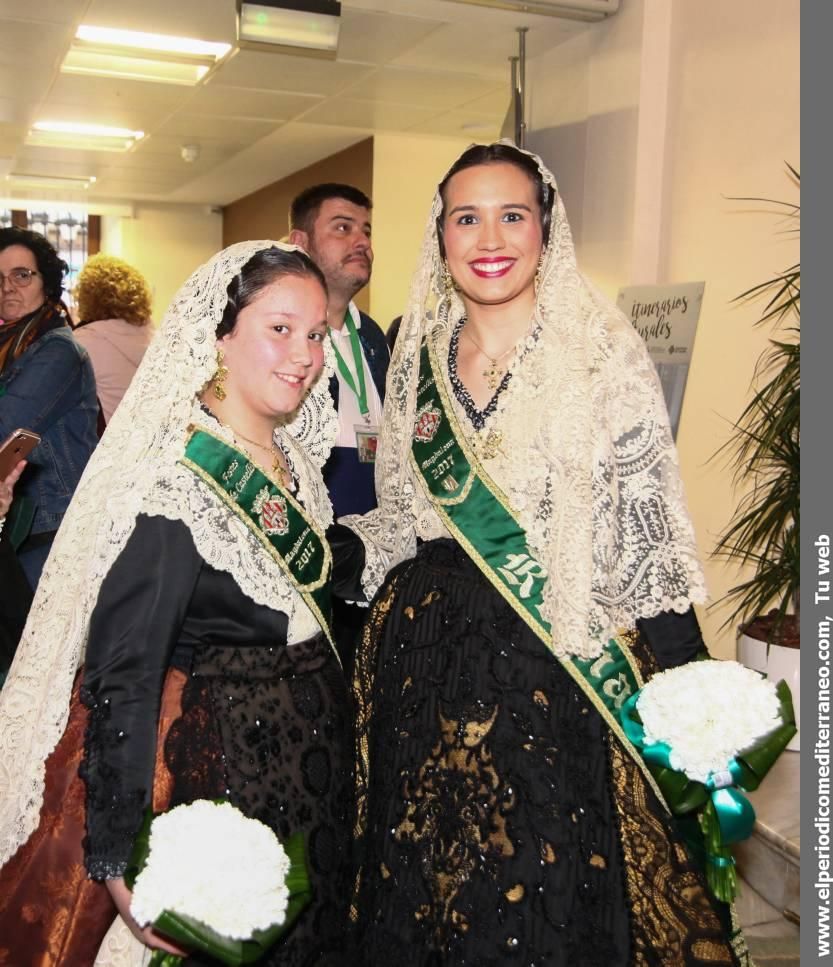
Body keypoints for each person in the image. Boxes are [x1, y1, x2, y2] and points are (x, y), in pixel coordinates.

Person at [342, 143, 754, 965]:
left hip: (552, 669)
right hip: (421, 665)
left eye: (510, 214)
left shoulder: (600, 352)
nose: (488, 236)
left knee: (537, 890)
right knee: (423, 888)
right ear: (441, 233)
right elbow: (399, 516)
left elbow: (646, 537)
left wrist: (690, 691)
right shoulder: (415, 350)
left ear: (544, 227)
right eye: (467, 217)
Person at [0, 242, 353, 966]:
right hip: (233, 792)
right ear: (219, 337)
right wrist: (117, 862)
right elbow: (123, 676)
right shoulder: (177, 486)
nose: (304, 355)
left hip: (312, 789)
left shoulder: (287, 458)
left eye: (316, 333)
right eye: (279, 328)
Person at [289, 184, 389, 673]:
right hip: (308, 555)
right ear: (300, 242)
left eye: (366, 230)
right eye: (343, 228)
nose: (361, 241)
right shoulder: (279, 335)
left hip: (372, 563)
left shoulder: (372, 336)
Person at [0, 227, 98, 590]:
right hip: (21, 524)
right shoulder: (12, 345)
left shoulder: (57, 351)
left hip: (51, 529)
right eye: (0, 277)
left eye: (22, 274)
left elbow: (7, 429)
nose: (9, 286)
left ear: (46, 281)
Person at [73, 253, 154, 425]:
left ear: (87, 297)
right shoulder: (155, 336)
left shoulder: (82, 343)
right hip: (152, 446)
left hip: (106, 446)